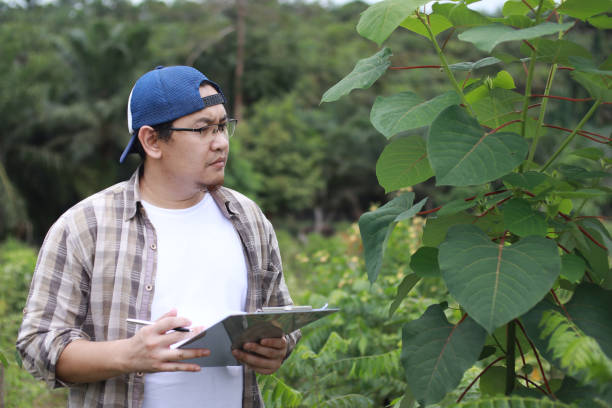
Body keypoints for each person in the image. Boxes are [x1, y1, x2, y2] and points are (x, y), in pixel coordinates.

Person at [17, 65, 300, 407]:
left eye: (223, 126)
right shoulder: (85, 226)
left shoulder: (249, 219)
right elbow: (38, 344)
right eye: (202, 129)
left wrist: (278, 346)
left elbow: (282, 315)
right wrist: (128, 354)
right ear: (151, 140)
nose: (221, 143)